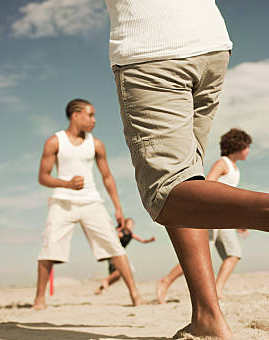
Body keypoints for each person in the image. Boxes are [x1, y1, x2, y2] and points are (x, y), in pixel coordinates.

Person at [105, 0, 269, 340]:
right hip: (210, 45)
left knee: (167, 192)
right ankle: (207, 317)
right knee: (188, 180)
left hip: (151, 46)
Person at [33, 98, 141, 310]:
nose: (94, 120)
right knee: (49, 247)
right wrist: (66, 183)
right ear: (76, 115)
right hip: (63, 202)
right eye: (90, 115)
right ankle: (39, 299)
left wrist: (118, 208)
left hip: (92, 202)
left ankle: (135, 296)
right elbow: (43, 177)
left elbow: (107, 177)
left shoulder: (96, 144)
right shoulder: (55, 142)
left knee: (114, 246)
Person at [156, 129, 252, 303]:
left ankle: (217, 290)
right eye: (247, 146)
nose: (248, 150)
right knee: (197, 255)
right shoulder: (223, 163)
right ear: (238, 145)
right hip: (211, 215)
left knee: (234, 254)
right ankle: (165, 281)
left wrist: (238, 222)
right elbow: (208, 185)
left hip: (225, 218)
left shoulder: (236, 169)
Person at [95, 217, 156, 295]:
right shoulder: (120, 232)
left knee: (117, 277)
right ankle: (105, 280)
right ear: (125, 224)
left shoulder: (131, 234)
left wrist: (150, 240)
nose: (132, 226)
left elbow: (142, 240)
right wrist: (117, 236)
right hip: (114, 254)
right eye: (130, 224)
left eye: (133, 224)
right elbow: (112, 240)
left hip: (120, 254)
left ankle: (99, 289)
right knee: (121, 271)